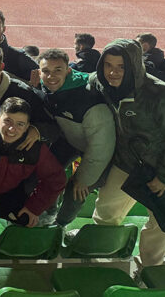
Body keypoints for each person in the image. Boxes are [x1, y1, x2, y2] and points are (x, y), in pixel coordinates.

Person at [90, 38, 165, 267]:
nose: (113, 72)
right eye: (108, 65)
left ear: (135, 66)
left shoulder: (163, 95)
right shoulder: (103, 84)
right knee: (106, 208)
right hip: (129, 162)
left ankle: (149, 268)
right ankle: (105, 249)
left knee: (161, 226)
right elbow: (83, 79)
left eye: (121, 66)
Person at [0, 97, 66, 239]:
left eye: (20, 124)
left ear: (27, 126)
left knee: (24, 218)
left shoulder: (34, 147)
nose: (12, 129)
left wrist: (33, 208)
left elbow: (56, 178)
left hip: (7, 190)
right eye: (8, 121)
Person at [36, 48, 115, 226]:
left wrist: (83, 179)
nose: (51, 76)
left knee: (77, 189)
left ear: (68, 71)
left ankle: (61, 224)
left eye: (58, 70)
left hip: (102, 149)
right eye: (46, 71)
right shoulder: (47, 87)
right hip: (72, 139)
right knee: (46, 171)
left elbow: (102, 146)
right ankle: (49, 210)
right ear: (39, 73)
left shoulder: (88, 98)